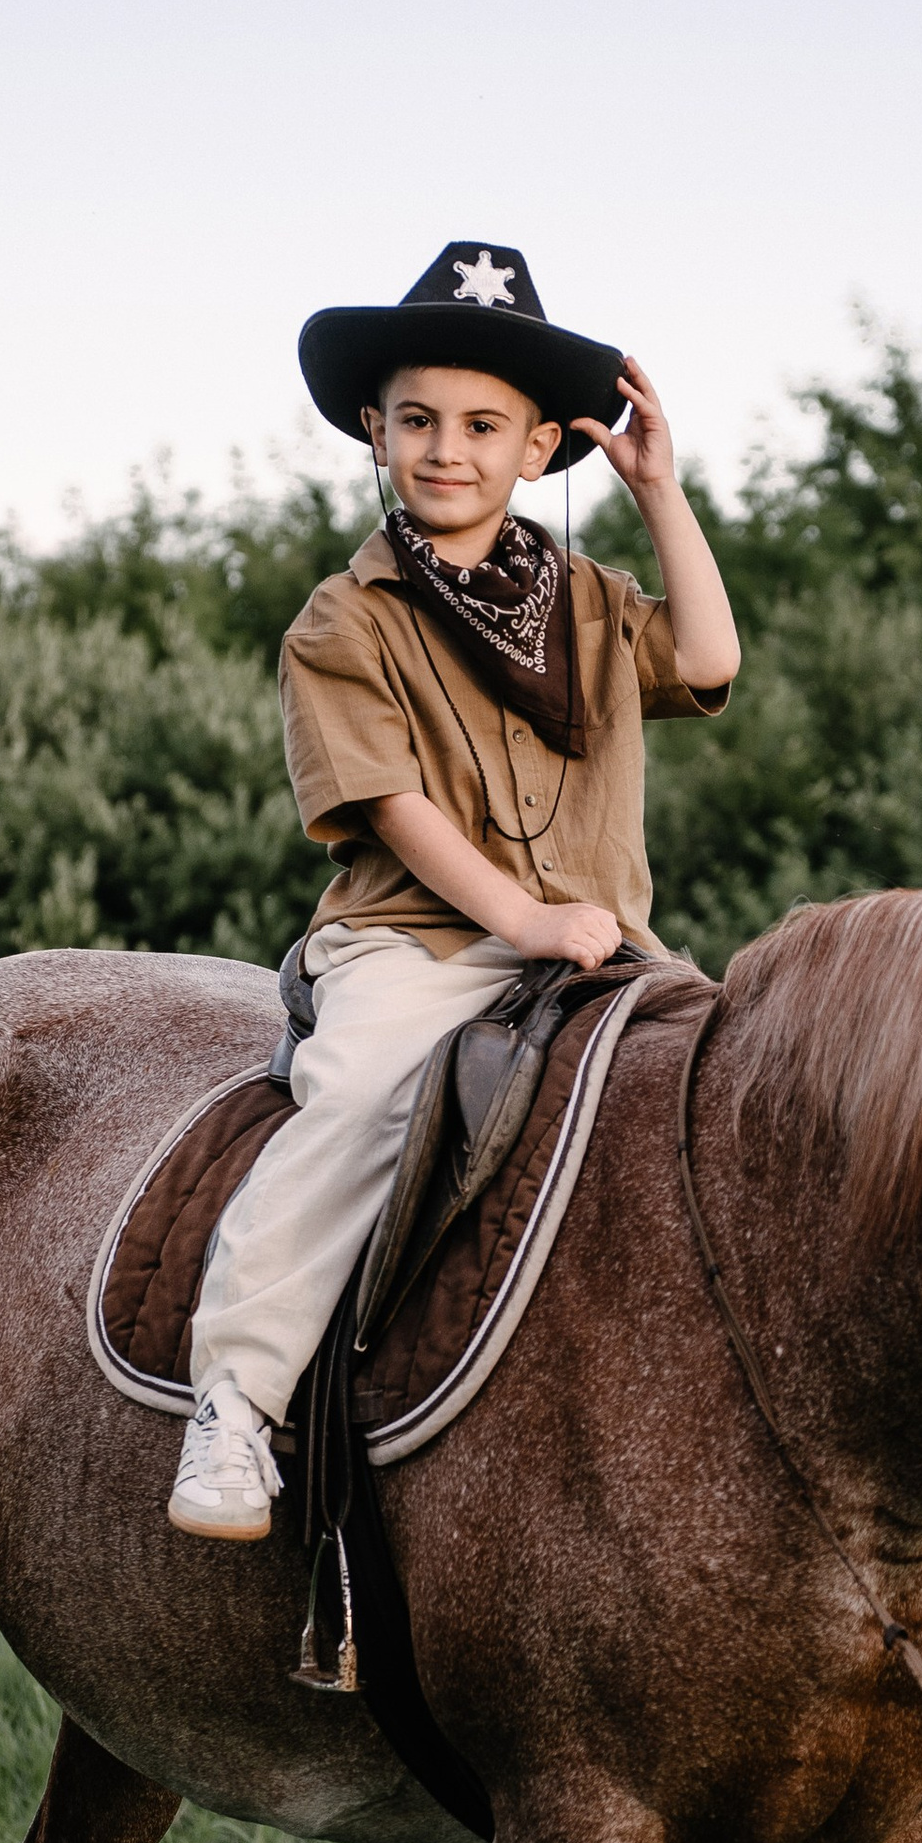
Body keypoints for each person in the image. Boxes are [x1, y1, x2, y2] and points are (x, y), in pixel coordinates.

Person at [168, 241, 740, 1538]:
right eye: (419, 420)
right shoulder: (344, 621)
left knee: (721, 1094)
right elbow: (393, 808)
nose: (448, 449)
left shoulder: (583, 600)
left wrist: (662, 493)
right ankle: (237, 1404)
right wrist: (528, 919)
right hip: (414, 946)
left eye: (484, 425)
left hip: (597, 943)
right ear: (375, 432)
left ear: (538, 448)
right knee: (364, 1092)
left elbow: (709, 655)